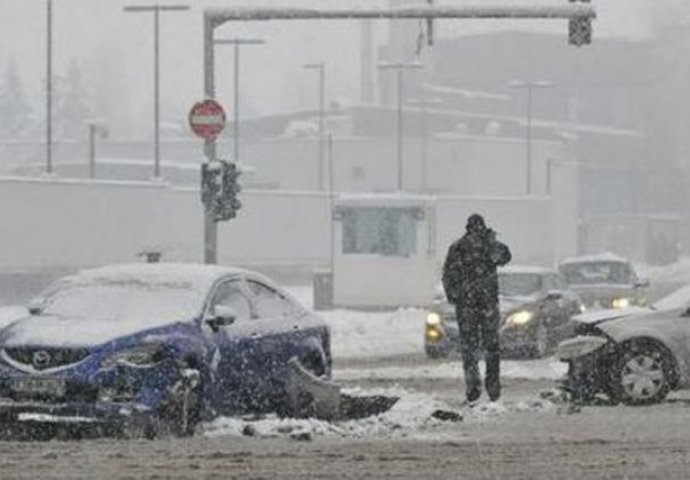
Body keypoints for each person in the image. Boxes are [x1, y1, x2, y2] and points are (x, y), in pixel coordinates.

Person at [442, 214, 512, 404]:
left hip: (467, 306)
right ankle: (493, 387)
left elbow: (447, 275)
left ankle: (474, 388)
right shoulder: (487, 247)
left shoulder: (458, 247)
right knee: (491, 348)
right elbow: (505, 256)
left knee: (470, 349)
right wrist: (491, 241)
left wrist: (456, 297)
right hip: (486, 303)